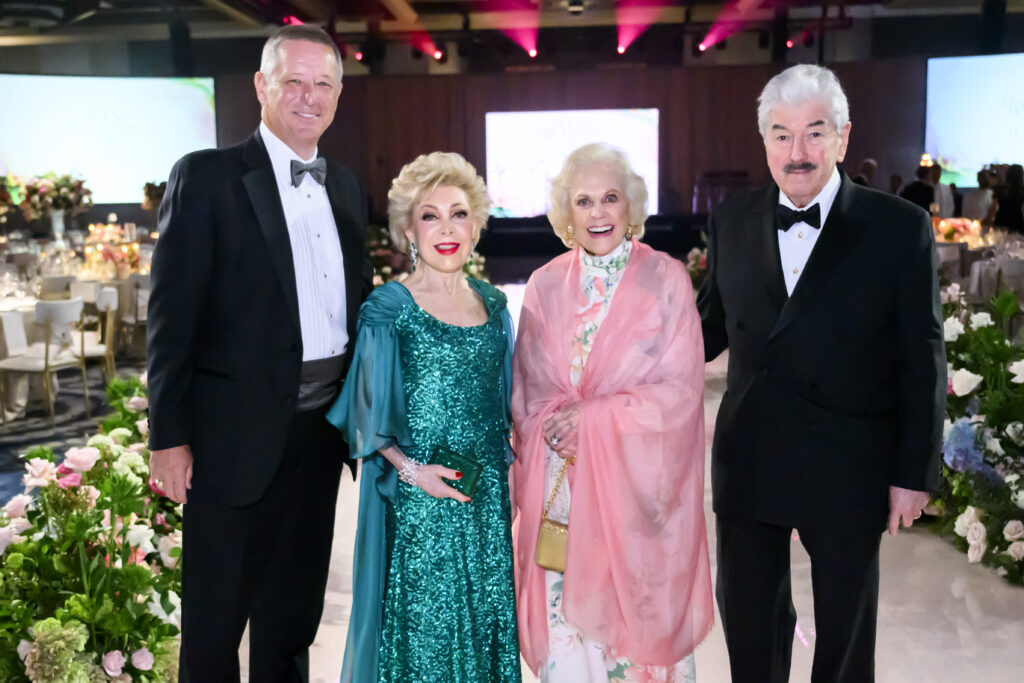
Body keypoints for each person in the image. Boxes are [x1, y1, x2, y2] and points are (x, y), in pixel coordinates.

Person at [697, 64, 945, 683]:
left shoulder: (899, 228)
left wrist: (913, 473)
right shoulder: (732, 219)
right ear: (764, 143)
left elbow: (923, 356)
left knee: (845, 633)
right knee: (749, 624)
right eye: (780, 134)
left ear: (843, 136)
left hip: (849, 460)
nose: (797, 151)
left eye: (814, 132)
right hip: (750, 455)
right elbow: (703, 332)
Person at [146, 25, 372, 682]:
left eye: (323, 84)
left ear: (338, 94)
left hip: (320, 437)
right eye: (293, 81)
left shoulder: (346, 188)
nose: (309, 97)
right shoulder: (208, 177)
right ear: (261, 87)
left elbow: (352, 307)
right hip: (231, 442)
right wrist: (169, 437)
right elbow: (171, 320)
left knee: (292, 621)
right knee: (215, 628)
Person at [512, 143, 713, 683]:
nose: (598, 213)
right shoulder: (544, 286)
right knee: (571, 651)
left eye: (610, 199)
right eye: (583, 201)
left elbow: (681, 393)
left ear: (631, 208)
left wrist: (594, 421)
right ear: (566, 214)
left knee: (634, 653)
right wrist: (559, 427)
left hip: (637, 509)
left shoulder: (665, 280)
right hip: (565, 508)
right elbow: (527, 394)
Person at [327, 152, 521, 683]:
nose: (446, 228)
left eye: (458, 213)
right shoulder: (389, 308)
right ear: (409, 229)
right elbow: (365, 416)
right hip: (420, 508)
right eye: (430, 215)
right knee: (427, 649)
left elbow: (506, 409)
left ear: (476, 224)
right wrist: (416, 473)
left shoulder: (494, 305)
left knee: (483, 634)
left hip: (484, 509)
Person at [993, 163, 1024, 233]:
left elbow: (994, 209)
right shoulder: (1021, 191)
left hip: (1001, 227)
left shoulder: (999, 190)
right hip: (1019, 229)